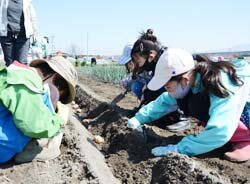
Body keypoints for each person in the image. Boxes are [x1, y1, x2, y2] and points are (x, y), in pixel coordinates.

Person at [128, 48, 250, 162]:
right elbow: (165, 101)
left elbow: (221, 128)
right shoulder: (193, 81)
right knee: (192, 102)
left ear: (184, 79)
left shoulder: (220, 84)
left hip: (244, 110)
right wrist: (139, 118)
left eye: (168, 87)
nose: (167, 91)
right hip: (230, 117)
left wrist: (180, 148)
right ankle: (229, 138)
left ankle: (246, 140)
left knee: (197, 105)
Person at [0, 56, 78, 163]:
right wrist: (59, 121)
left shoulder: (15, 73)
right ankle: (28, 149)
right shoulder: (27, 81)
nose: (57, 99)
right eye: (60, 93)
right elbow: (34, 126)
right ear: (56, 78)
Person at [0, 0, 38, 66]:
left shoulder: (26, 1)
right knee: (9, 63)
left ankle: (22, 75)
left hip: (23, 36)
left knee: (22, 62)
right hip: (6, 35)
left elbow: (33, 17)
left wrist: (36, 33)